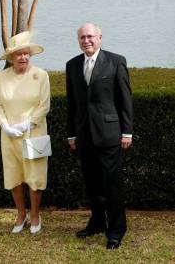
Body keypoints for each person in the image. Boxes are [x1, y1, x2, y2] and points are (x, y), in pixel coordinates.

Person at [66, 23, 133, 250]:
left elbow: (125, 99)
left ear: (100, 37)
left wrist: (127, 131)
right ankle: (96, 223)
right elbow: (72, 104)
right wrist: (71, 134)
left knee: (112, 185)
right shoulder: (72, 65)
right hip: (84, 136)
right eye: (82, 37)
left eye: (90, 36)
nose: (86, 40)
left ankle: (116, 231)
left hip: (109, 134)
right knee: (92, 184)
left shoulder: (116, 61)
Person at [0, 31, 50, 234]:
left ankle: (35, 215)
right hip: (9, 135)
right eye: (19, 54)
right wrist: (5, 125)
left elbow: (44, 106)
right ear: (11, 57)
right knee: (13, 175)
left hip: (34, 133)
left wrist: (28, 124)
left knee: (35, 176)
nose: (23, 57)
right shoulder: (2, 76)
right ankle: (20, 214)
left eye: (26, 53)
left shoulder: (41, 75)